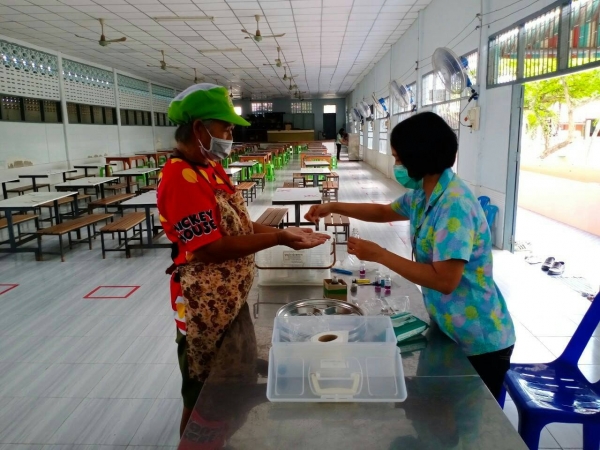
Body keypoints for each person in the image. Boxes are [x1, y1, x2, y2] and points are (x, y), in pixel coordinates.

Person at [305, 112, 516, 401]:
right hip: (448, 326)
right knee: (440, 413)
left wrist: (380, 254)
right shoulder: (424, 193)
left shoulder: (454, 204)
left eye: (398, 158)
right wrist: (332, 206)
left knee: (468, 422)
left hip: (477, 338)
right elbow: (383, 212)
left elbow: (445, 281)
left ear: (419, 157)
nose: (397, 166)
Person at [158, 83, 330, 435]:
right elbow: (208, 248)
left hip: (228, 297)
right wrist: (278, 238)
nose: (230, 135)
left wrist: (282, 231)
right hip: (202, 305)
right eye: (225, 128)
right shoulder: (180, 178)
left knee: (228, 381)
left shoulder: (209, 168)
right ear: (199, 129)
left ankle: (224, 430)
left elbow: (238, 223)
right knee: (201, 389)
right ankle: (194, 441)